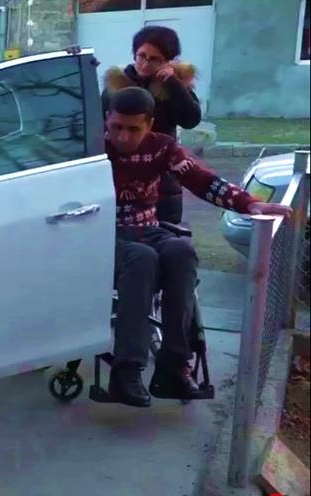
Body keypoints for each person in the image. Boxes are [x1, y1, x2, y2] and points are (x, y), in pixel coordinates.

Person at [105, 87, 292, 408]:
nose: (123, 137)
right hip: (102, 235)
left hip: (147, 228)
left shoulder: (162, 147)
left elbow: (201, 179)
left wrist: (249, 204)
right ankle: (126, 371)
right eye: (117, 127)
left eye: (134, 129)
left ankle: (174, 366)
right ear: (107, 119)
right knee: (143, 259)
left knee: (181, 252)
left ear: (150, 125)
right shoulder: (92, 148)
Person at [102, 25, 202, 226]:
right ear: (134, 53)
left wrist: (174, 85)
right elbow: (99, 125)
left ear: (168, 61)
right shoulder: (117, 85)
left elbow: (190, 120)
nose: (145, 64)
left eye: (155, 59)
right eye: (141, 56)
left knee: (166, 231)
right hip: (122, 173)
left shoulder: (173, 86)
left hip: (162, 174)